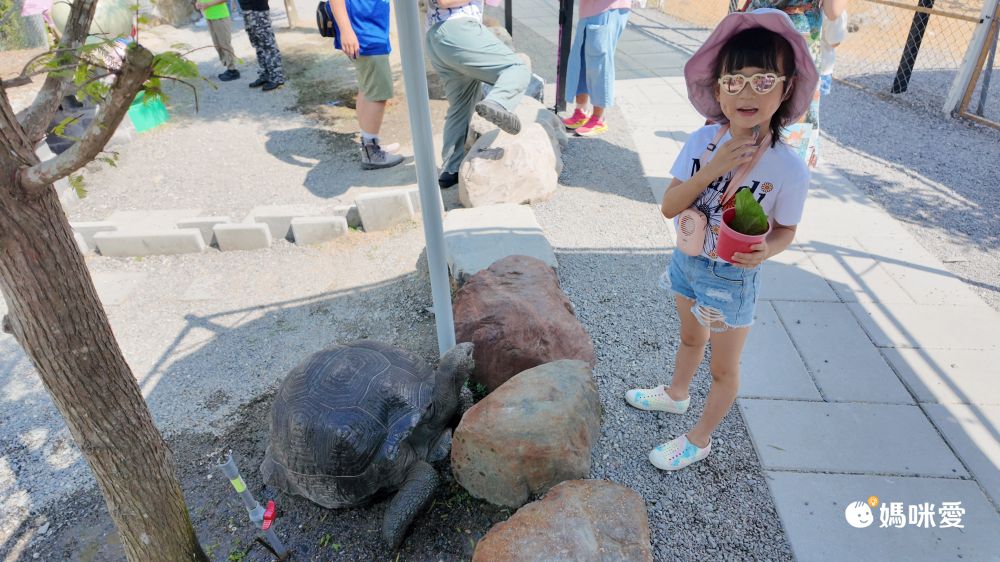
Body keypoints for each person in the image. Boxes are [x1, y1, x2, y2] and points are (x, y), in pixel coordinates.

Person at [624, 9, 817, 471]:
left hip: (733, 279)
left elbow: (787, 230)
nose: (747, 93)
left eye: (763, 80)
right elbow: (670, 206)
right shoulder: (701, 141)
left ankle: (699, 439)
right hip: (688, 260)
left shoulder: (789, 168)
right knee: (691, 336)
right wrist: (714, 167)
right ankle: (676, 394)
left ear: (786, 88)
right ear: (718, 89)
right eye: (734, 81)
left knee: (724, 368)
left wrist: (767, 250)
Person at [424, 0, 530, 189]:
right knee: (517, 68)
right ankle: (498, 102)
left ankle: (450, 169)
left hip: (436, 37)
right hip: (458, 29)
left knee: (461, 105)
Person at [745, 0, 846, 166]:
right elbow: (833, 11)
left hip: (756, 25)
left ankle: (744, 161)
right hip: (797, 36)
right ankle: (782, 170)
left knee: (751, 91)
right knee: (793, 105)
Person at [330, 0, 404, 169]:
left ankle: (370, 144)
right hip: (364, 32)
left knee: (367, 88)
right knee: (378, 92)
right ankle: (371, 153)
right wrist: (346, 31)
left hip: (368, 29)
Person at [560, 0, 631, 137]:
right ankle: (581, 111)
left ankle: (598, 118)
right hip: (590, 9)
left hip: (608, 8)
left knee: (599, 63)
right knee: (581, 60)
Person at [238, 0, 286, 91]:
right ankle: (265, 75)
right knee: (258, 46)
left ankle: (277, 77)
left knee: (268, 46)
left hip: (258, 10)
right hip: (246, 10)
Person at [196, 0, 240, 81]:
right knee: (217, 45)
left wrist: (208, 4)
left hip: (220, 16)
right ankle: (228, 67)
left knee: (225, 44)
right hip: (209, 16)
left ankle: (232, 70)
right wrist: (198, 2)